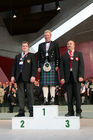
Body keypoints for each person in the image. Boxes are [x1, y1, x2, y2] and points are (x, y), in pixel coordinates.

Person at [11, 41, 36, 117]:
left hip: (29, 78)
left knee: (30, 95)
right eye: (23, 46)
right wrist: (12, 76)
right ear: (22, 47)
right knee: (20, 95)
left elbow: (34, 67)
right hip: (19, 78)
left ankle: (31, 112)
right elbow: (14, 67)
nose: (24, 47)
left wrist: (33, 76)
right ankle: (21, 111)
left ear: (28, 47)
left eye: (26, 46)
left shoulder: (31, 56)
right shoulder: (18, 56)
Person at [60, 40, 84, 117]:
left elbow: (81, 66)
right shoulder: (63, 56)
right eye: (68, 44)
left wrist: (81, 76)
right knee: (69, 96)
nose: (69, 45)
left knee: (77, 96)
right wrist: (62, 77)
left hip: (76, 78)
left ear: (74, 45)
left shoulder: (79, 54)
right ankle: (70, 112)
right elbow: (62, 68)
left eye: (71, 44)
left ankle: (78, 112)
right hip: (67, 78)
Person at [38, 30, 60, 105]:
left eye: (48, 35)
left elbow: (57, 55)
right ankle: (45, 99)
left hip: (52, 63)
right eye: (45, 35)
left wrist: (57, 65)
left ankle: (53, 98)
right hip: (43, 63)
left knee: (52, 83)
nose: (46, 36)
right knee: (44, 83)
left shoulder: (55, 44)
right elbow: (39, 57)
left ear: (50, 36)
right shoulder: (40, 45)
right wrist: (38, 66)